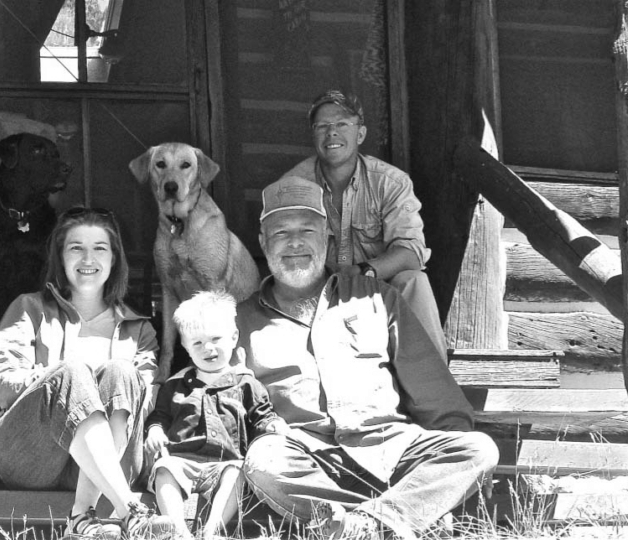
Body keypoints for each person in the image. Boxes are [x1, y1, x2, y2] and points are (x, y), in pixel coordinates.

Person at [236, 176, 499, 540]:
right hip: (308, 458)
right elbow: (227, 402)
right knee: (264, 461)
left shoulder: (377, 298)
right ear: (263, 242)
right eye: (281, 233)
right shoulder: (238, 321)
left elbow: (432, 387)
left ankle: (364, 525)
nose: (295, 243)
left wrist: (455, 472)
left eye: (307, 230)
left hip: (393, 448)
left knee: (477, 448)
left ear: (326, 237)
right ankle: (394, 516)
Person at [0, 207, 175, 539]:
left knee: (121, 371)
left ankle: (81, 515)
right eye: (76, 247)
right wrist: (59, 385)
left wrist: (87, 393)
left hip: (112, 461)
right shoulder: (29, 309)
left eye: (99, 247)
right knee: (71, 372)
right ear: (60, 256)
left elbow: (144, 401)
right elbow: (0, 381)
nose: (88, 257)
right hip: (33, 455)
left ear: (114, 258)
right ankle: (130, 511)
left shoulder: (138, 329)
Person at [279, 90, 447, 360]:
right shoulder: (293, 186)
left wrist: (363, 272)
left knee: (414, 281)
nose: (331, 133)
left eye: (342, 124)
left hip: (377, 288)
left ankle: (434, 387)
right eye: (322, 126)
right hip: (318, 292)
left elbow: (411, 253)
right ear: (314, 136)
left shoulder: (390, 182)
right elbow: (282, 253)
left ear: (360, 134)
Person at [144, 291, 289, 540]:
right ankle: (176, 531)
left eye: (215, 339)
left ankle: (212, 531)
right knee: (163, 468)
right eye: (197, 343)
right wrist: (155, 430)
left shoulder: (246, 384)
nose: (207, 348)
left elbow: (261, 416)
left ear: (233, 338)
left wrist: (272, 425)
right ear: (186, 347)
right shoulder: (176, 384)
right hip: (183, 461)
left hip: (225, 464)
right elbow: (160, 415)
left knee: (238, 471)